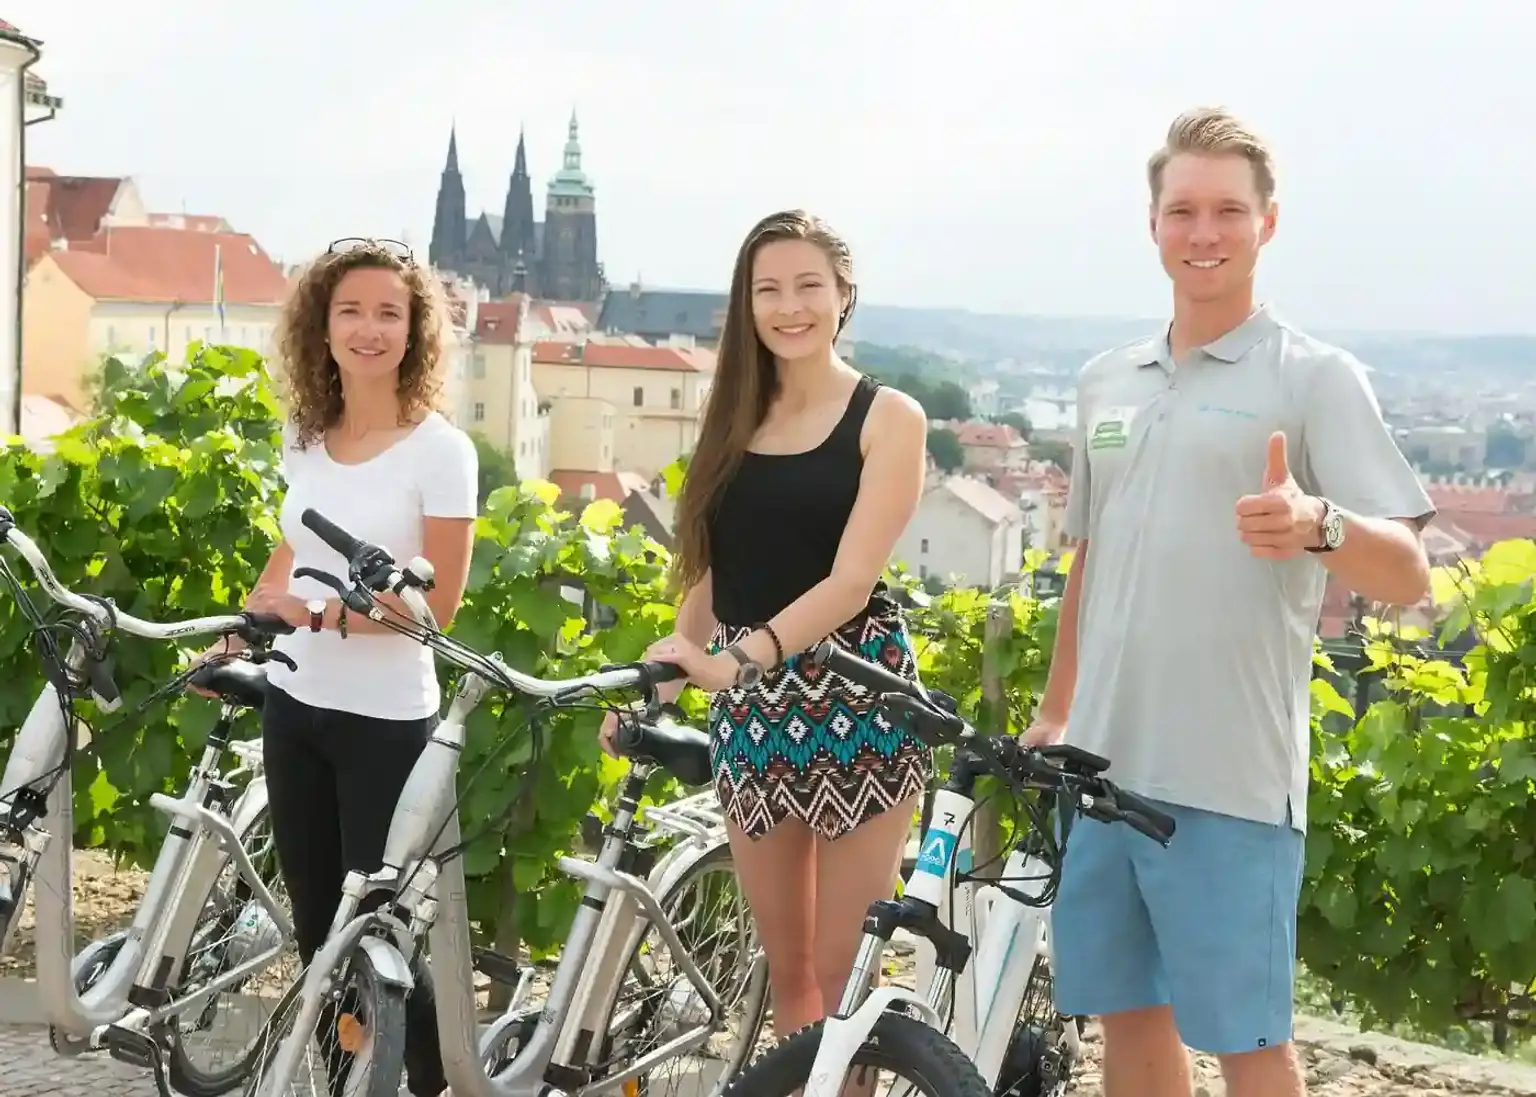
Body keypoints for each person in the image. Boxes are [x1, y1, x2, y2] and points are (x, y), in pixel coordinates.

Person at [1023, 108, 1434, 1097]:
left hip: (1232, 781)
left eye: (1227, 211)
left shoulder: (1315, 378)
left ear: (1268, 224)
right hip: (1104, 768)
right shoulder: (1102, 382)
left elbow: (1412, 577)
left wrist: (1319, 524)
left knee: (1250, 1046)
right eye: (1183, 210)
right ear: (1153, 223)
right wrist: (1054, 706)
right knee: (1128, 1026)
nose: (1203, 232)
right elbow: (1090, 556)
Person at [599, 210, 932, 1041]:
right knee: (786, 971)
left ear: (844, 295)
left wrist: (742, 660)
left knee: (839, 972)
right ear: (747, 305)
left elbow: (853, 581)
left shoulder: (889, 417)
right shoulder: (734, 422)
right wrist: (664, 677)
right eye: (768, 289)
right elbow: (717, 575)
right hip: (751, 711)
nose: (790, 307)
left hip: (860, 697)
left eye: (808, 286)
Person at [195, 237, 477, 1097]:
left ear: (414, 330)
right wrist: (241, 629)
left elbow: (439, 610)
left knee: (380, 937)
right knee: (319, 939)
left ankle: (422, 1085)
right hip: (297, 706)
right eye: (350, 310)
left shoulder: (440, 450)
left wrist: (318, 613)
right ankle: (345, 1083)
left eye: (388, 312)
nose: (368, 328)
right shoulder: (305, 436)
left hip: (387, 724)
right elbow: (291, 545)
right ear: (322, 326)